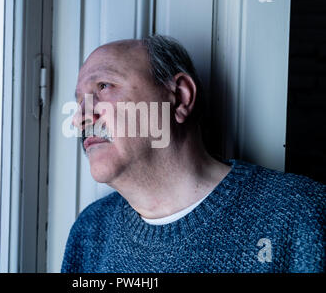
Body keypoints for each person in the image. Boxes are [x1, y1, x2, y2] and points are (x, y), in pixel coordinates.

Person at [62, 35, 325, 273]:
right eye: (78, 101)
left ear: (180, 97)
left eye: (104, 86)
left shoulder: (300, 213)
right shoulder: (90, 230)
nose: (79, 119)